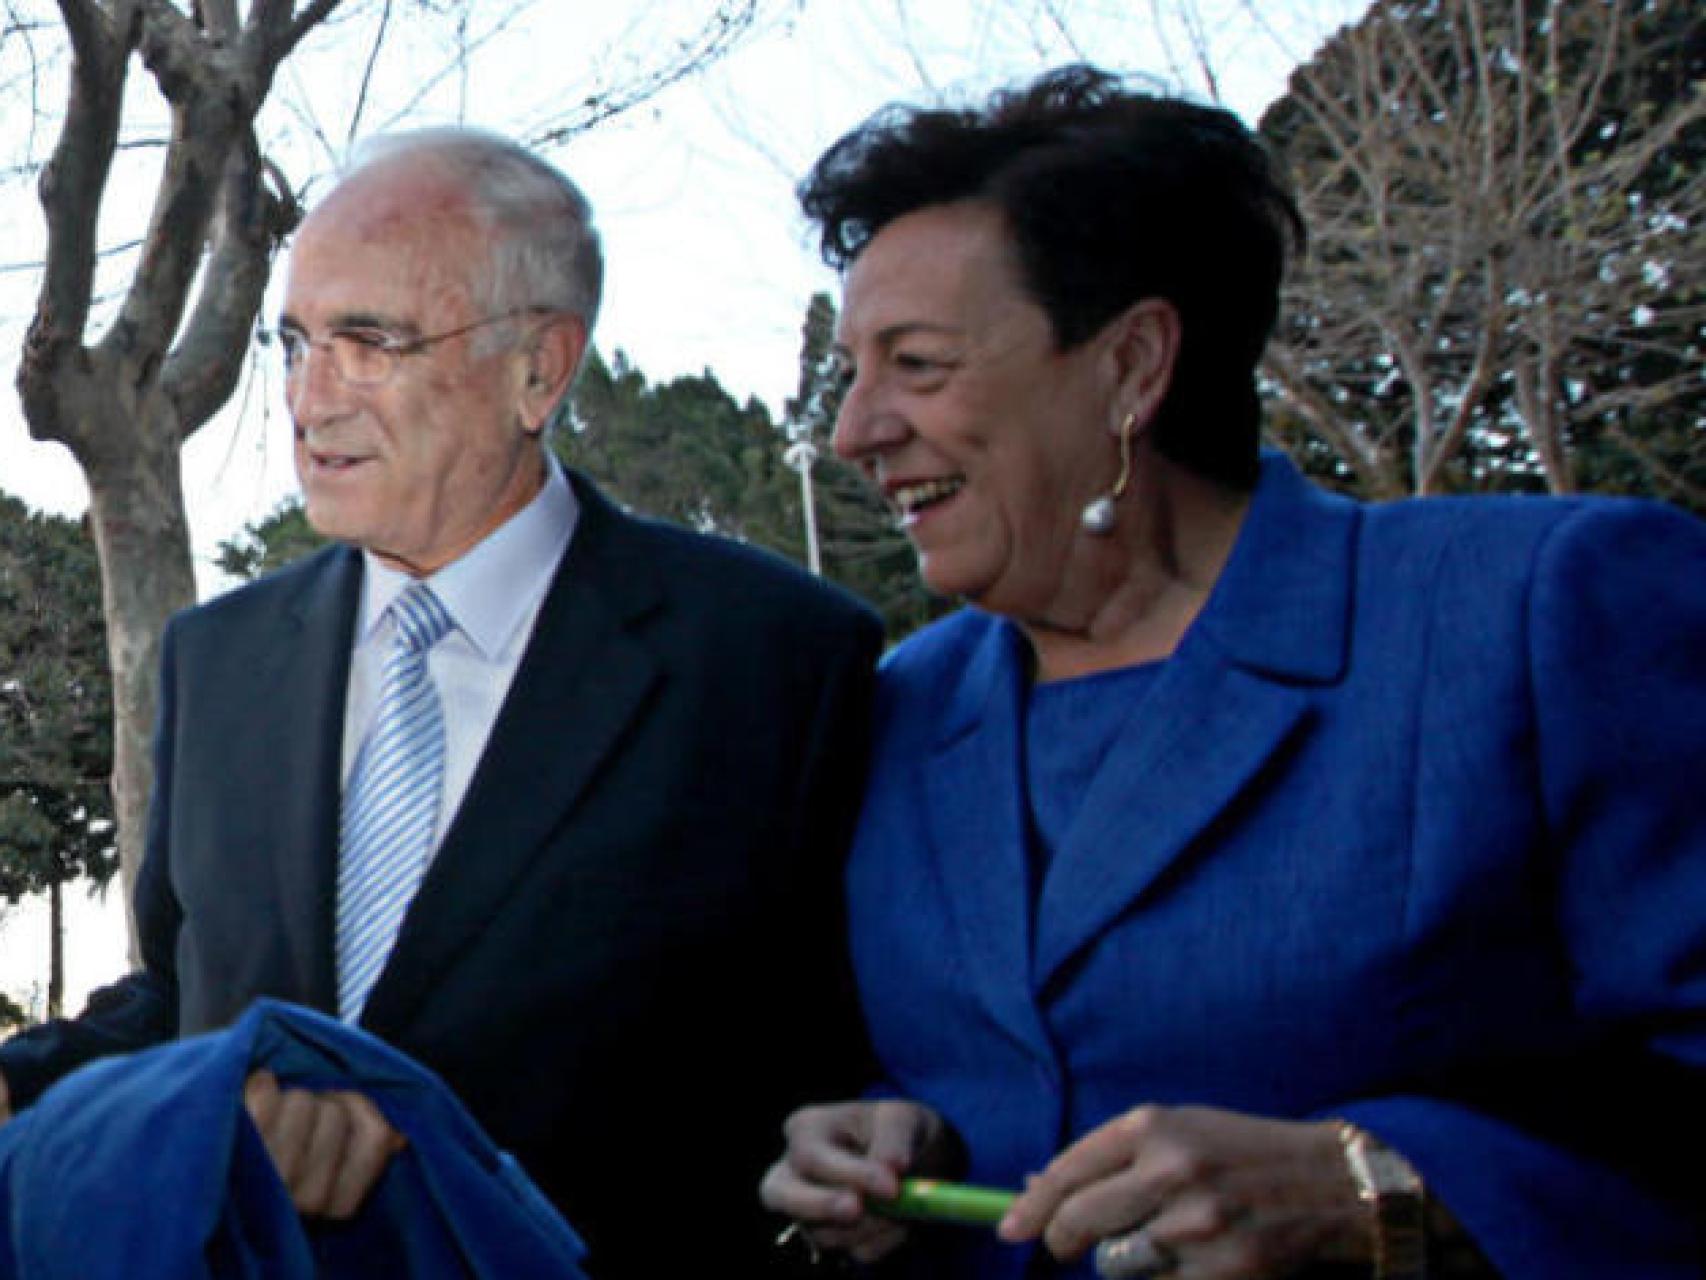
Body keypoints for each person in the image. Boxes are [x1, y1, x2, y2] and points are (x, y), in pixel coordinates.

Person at [759, 65, 1706, 1280]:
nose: (851, 429)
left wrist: (1385, 1191)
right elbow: (995, 1052)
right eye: (852, 370)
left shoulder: (1544, 610)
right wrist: (888, 1130)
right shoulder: (900, 702)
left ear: (1131, 367)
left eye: (918, 365)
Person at [0, 127, 881, 1278]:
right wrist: (24, 1079)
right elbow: (184, 993)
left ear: (540, 368)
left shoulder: (775, 656)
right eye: (295, 341)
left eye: (371, 343)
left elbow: (848, 1059)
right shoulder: (215, 658)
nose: (309, 400)